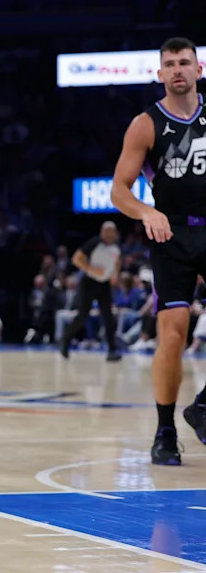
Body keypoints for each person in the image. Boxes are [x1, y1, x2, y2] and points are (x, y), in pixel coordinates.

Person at [110, 36, 206, 465]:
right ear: (160, 73)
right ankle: (165, 431)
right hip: (172, 236)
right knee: (173, 334)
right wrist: (147, 211)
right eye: (170, 64)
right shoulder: (146, 124)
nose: (178, 69)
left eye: (185, 62)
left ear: (199, 69)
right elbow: (118, 191)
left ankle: (202, 405)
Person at [59, 221, 122, 361]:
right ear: (103, 232)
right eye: (109, 231)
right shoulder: (94, 243)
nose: (111, 234)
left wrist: (115, 275)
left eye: (114, 231)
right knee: (83, 315)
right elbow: (76, 259)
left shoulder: (116, 247)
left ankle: (112, 351)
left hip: (104, 284)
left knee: (108, 316)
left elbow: (117, 260)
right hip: (89, 282)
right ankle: (65, 341)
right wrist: (92, 269)